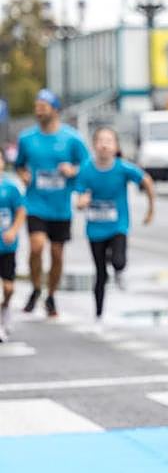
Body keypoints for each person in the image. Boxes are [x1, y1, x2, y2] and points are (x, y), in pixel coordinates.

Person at [13, 89, 89, 318]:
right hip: (36, 203)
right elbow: (19, 165)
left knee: (57, 254)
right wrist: (23, 174)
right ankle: (36, 287)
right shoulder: (27, 138)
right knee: (36, 247)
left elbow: (87, 168)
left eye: (43, 107)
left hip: (60, 207)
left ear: (55, 110)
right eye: (36, 107)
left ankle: (51, 296)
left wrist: (73, 170)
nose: (39, 111)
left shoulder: (72, 138)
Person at [74, 127, 156, 321]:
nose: (104, 145)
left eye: (109, 141)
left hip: (117, 224)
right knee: (100, 273)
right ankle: (98, 313)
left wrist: (150, 210)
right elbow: (79, 198)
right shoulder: (86, 169)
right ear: (94, 145)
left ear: (116, 146)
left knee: (119, 260)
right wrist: (82, 202)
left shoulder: (122, 168)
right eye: (100, 141)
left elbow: (147, 181)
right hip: (95, 228)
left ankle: (119, 270)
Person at [0, 165, 27, 341]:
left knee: (8, 288)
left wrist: (13, 231)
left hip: (7, 247)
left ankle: (6, 308)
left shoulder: (10, 188)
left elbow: (21, 211)